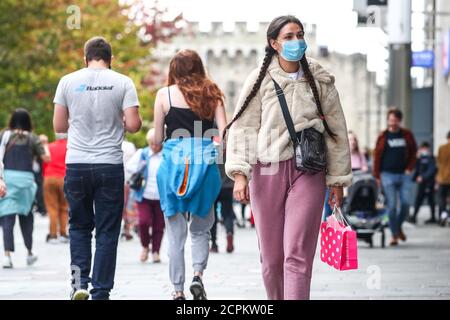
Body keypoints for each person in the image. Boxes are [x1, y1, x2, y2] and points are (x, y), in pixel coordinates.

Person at [224, 16, 352, 300]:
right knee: (271, 260)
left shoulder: (320, 79)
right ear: (274, 43)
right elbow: (243, 126)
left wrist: (337, 180)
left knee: (297, 255)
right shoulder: (260, 79)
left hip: (309, 170)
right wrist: (240, 174)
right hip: (266, 170)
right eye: (289, 36)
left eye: (300, 35)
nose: (297, 41)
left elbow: (337, 131)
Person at [53, 36, 142, 300]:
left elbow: (58, 126)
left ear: (85, 58)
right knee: (107, 229)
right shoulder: (123, 82)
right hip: (109, 164)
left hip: (77, 163)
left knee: (79, 226)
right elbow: (135, 125)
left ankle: (79, 283)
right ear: (110, 59)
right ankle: (100, 290)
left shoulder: (67, 81)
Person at [153, 49, 227, 300]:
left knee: (175, 234)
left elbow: (157, 138)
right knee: (200, 229)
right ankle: (198, 275)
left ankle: (177, 290)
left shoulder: (164, 95)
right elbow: (223, 135)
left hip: (173, 166)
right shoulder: (213, 94)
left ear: (174, 69)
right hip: (205, 166)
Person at [0, 109, 50, 269]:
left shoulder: (4, 136)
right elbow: (46, 158)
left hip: (7, 180)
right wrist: (44, 144)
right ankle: (29, 252)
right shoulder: (32, 138)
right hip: (26, 182)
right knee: (26, 215)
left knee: (7, 217)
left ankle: (7, 256)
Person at [373, 108, 417, 246]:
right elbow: (377, 157)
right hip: (387, 175)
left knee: (406, 204)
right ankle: (394, 235)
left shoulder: (407, 135)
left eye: (395, 120)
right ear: (388, 120)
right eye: (390, 120)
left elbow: (414, 152)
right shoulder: (383, 136)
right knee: (391, 206)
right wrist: (377, 175)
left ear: (399, 121)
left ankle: (397, 228)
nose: (392, 123)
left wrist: (410, 168)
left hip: (404, 174)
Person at [130, 129, 164, 263]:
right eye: (151, 144)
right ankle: (145, 246)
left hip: (161, 196)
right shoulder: (143, 154)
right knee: (143, 222)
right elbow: (130, 167)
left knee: (159, 225)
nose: (154, 147)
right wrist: (140, 168)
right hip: (144, 195)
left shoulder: (166, 155)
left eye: (156, 144)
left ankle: (156, 251)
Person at [43, 133, 69, 244]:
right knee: (64, 207)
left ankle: (53, 235)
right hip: (64, 177)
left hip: (49, 177)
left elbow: (44, 162)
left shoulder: (49, 146)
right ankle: (63, 233)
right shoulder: (70, 147)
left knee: (52, 207)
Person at [210, 154, 235, 254]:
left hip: (214, 187)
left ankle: (214, 244)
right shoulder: (229, 149)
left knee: (213, 216)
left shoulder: (212, 150)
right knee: (228, 213)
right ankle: (229, 232)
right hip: (228, 186)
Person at [408, 142, 437, 224]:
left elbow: (432, 170)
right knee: (418, 200)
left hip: (429, 183)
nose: (422, 150)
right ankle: (414, 217)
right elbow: (417, 169)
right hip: (422, 184)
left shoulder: (430, 158)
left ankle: (433, 218)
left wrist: (423, 177)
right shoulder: (420, 158)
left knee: (430, 200)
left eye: (424, 148)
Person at [121, 139, 137, 240]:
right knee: (128, 206)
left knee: (120, 206)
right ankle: (127, 229)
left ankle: (123, 228)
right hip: (129, 180)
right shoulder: (130, 145)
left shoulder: (113, 143)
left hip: (116, 179)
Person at [437, 131, 450, 226]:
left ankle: (443, 214)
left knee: (441, 198)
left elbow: (438, 162)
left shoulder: (442, 148)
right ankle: (448, 216)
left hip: (442, 178)